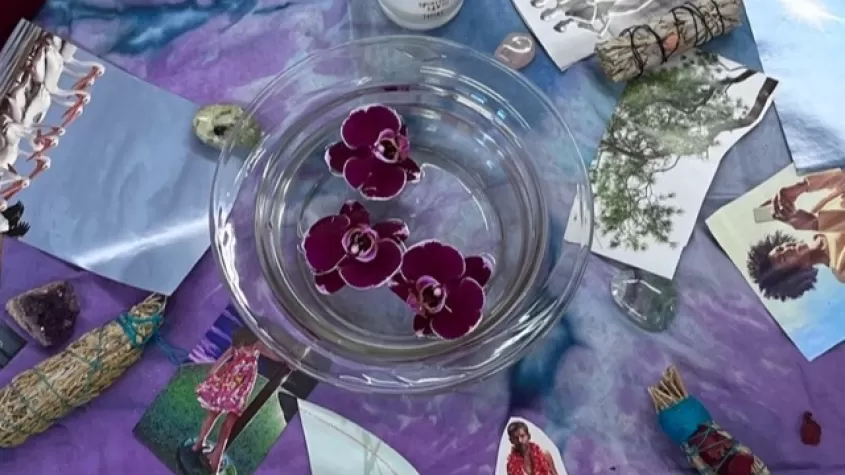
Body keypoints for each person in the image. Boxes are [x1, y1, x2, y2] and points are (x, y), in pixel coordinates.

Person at [192, 327, 282, 473]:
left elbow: (273, 355)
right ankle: (199, 443)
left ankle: (214, 456)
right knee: (213, 414)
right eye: (242, 345)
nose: (244, 348)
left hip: (239, 390)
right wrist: (213, 372)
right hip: (228, 384)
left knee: (228, 423)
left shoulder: (257, 345)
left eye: (247, 345)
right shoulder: (240, 344)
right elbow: (224, 357)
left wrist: (287, 359)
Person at [747, 169, 845, 301]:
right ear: (797, 272)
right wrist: (812, 223)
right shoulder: (840, 269)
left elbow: (841, 178)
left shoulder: (818, 212)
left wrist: (802, 187)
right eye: (783, 258)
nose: (787, 248)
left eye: (780, 248)